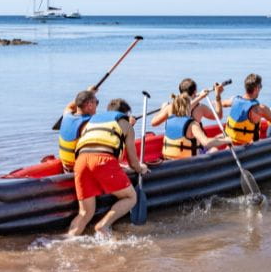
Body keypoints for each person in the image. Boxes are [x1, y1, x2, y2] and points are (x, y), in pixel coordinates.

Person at [68, 98, 149, 236]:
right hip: (102, 161)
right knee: (131, 197)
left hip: (81, 162)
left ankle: (68, 238)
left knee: (85, 212)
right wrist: (141, 168)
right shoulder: (126, 125)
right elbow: (133, 162)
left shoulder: (91, 121)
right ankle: (103, 226)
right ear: (126, 114)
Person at [162, 93, 233, 160]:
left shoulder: (169, 120)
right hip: (188, 161)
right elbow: (206, 143)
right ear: (188, 107)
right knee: (214, 149)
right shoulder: (192, 124)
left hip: (169, 159)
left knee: (219, 137)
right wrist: (227, 140)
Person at [151, 78, 226, 127]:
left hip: (173, 148)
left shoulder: (171, 107)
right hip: (192, 149)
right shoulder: (200, 108)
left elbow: (153, 123)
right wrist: (218, 95)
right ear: (195, 92)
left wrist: (163, 108)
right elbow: (219, 116)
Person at [58, 88, 98, 172]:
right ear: (89, 105)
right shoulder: (88, 124)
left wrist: (89, 92)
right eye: (96, 102)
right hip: (79, 170)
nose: (96, 106)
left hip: (65, 166)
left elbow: (70, 106)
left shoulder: (66, 115)